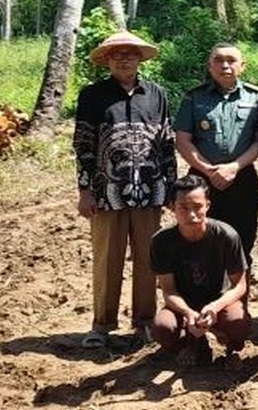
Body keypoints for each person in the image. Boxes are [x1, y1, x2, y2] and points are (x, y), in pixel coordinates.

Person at [74, 30, 177, 349]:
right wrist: (85, 190)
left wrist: (171, 187)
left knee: (149, 258)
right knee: (107, 258)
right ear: (107, 59)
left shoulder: (156, 94)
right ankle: (102, 324)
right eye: (116, 54)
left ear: (140, 58)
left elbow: (166, 143)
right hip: (107, 192)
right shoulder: (92, 95)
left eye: (130, 53)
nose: (124, 58)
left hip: (150, 191)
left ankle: (144, 322)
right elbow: (83, 145)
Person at [174, 43, 258, 283]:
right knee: (201, 235)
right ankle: (203, 296)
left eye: (231, 60)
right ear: (209, 66)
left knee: (242, 238)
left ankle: (237, 303)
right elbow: (183, 140)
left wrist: (233, 167)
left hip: (242, 177)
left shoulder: (256, 98)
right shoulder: (194, 97)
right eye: (219, 60)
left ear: (242, 66)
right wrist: (208, 170)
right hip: (202, 179)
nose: (225, 65)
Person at [149, 174, 249, 366]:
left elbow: (240, 285)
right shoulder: (161, 242)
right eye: (183, 208)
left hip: (218, 300)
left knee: (239, 324)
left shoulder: (226, 235)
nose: (192, 215)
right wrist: (187, 313)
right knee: (163, 329)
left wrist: (214, 307)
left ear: (208, 205)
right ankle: (191, 343)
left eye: (197, 207)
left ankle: (227, 343)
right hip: (183, 302)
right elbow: (169, 291)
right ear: (172, 208)